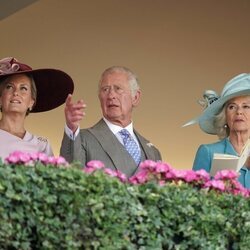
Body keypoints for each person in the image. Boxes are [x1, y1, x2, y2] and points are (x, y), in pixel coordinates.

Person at [60, 66, 162, 177]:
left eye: (118, 89)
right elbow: (70, 176)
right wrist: (71, 128)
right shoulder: (82, 139)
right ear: (100, 98)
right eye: (105, 90)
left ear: (135, 97)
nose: (111, 96)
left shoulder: (152, 152)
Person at [183, 73, 250, 188]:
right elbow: (195, 197)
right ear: (224, 116)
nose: (239, 112)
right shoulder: (208, 152)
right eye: (232, 107)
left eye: (246, 106)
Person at [0, 57, 74, 160]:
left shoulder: (42, 145)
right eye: (9, 87)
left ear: (31, 102)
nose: (16, 92)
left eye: (23, 88)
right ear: (0, 99)